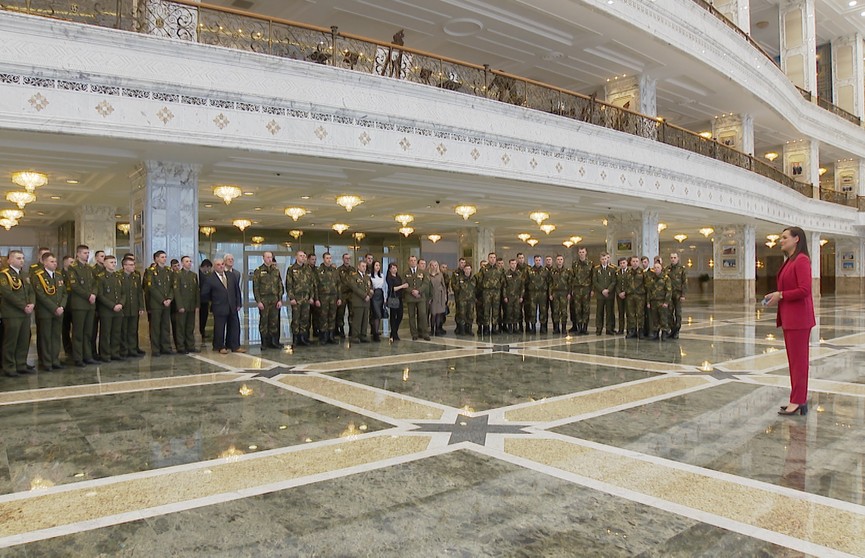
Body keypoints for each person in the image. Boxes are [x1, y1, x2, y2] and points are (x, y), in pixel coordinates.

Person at [764, 226, 815, 416]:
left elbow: (805, 290)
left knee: (799, 362)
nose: (781, 240)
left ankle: (799, 401)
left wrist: (781, 295)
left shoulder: (802, 260)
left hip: (799, 319)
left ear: (796, 239)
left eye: (784, 237)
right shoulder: (790, 261)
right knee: (794, 362)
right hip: (790, 318)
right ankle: (796, 399)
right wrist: (776, 295)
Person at [0, 250, 36, 376]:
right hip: (12, 313)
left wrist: (32, 303)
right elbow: (7, 293)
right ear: (10, 260)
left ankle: (21, 364)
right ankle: (9, 367)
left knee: (23, 340)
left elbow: (31, 291)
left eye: (22, 258)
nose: (22, 260)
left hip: (25, 313)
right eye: (18, 258)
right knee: (11, 341)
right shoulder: (4, 275)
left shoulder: (25, 274)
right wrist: (23, 306)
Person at [200, 258, 245, 354]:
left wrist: (238, 303)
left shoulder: (231, 276)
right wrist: (213, 301)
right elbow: (204, 293)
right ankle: (219, 346)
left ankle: (235, 345)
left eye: (222, 264)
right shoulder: (210, 278)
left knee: (235, 326)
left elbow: (237, 290)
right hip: (219, 306)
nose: (221, 266)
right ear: (214, 267)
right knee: (220, 328)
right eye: (218, 265)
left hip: (232, 306)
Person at [31, 252, 66, 371]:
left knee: (56, 336)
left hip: (59, 311)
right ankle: (46, 362)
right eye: (52, 261)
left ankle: (55, 359)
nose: (55, 263)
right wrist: (54, 308)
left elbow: (64, 293)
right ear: (44, 262)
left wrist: (61, 306)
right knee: (46, 337)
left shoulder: (58, 275)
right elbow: (40, 295)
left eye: (55, 261)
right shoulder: (38, 276)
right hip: (46, 311)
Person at [68, 244, 98, 367]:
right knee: (78, 332)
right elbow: (75, 286)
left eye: (87, 253)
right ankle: (78, 357)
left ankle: (88, 355)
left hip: (90, 305)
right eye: (84, 253)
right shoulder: (73, 268)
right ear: (78, 254)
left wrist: (94, 294)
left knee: (88, 332)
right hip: (79, 304)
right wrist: (88, 295)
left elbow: (96, 283)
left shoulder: (89, 269)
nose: (87, 255)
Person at [143, 250, 174, 356]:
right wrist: (162, 300)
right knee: (155, 327)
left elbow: (172, 286)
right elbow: (151, 287)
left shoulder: (168, 270)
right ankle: (156, 349)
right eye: (162, 257)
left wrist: (169, 298)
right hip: (156, 303)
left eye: (165, 257)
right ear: (156, 259)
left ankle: (166, 347)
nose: (164, 259)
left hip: (167, 303)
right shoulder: (150, 271)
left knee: (165, 326)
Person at [252, 251, 284, 350]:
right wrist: (258, 301)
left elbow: (280, 286)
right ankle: (264, 343)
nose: (270, 259)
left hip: (274, 299)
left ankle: (274, 342)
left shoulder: (276, 270)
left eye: (271, 257)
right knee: (264, 322)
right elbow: (256, 287)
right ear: (263, 258)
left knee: (274, 321)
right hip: (264, 299)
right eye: (268, 257)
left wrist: (280, 299)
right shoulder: (258, 271)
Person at [285, 250, 317, 348]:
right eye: (301, 256)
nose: (303, 257)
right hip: (296, 298)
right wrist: (291, 297)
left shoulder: (308, 269)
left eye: (304, 256)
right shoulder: (291, 269)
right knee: (296, 318)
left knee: (305, 319)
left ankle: (303, 338)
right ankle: (295, 338)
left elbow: (312, 284)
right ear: (296, 257)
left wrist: (311, 297)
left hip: (306, 298)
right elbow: (289, 285)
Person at [96, 255, 124, 361]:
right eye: (111, 262)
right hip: (107, 310)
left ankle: (115, 352)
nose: (114, 264)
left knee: (116, 332)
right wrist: (112, 306)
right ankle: (105, 354)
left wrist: (121, 304)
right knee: (106, 333)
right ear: (105, 263)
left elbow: (123, 293)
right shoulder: (101, 277)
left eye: (114, 262)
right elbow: (100, 295)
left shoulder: (118, 276)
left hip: (118, 309)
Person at [119, 256, 145, 358]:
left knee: (133, 330)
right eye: (131, 265)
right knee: (123, 330)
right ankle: (124, 350)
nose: (133, 266)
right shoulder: (119, 276)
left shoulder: (136, 277)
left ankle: (133, 349)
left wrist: (141, 307)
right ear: (125, 266)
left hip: (134, 307)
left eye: (133, 264)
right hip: (124, 307)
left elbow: (139, 292)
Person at [173, 255, 200, 353]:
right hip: (182, 305)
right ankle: (180, 346)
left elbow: (196, 290)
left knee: (190, 327)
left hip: (191, 305)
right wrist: (180, 305)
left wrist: (197, 304)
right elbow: (176, 291)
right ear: (182, 263)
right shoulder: (178, 274)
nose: (189, 263)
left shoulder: (193, 275)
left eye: (190, 261)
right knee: (181, 327)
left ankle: (190, 345)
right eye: (187, 261)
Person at [315, 252, 341, 345]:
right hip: (323, 297)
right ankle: (323, 336)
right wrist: (316, 299)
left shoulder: (334, 270)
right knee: (323, 317)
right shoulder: (319, 270)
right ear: (323, 259)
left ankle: (331, 336)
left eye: (330, 258)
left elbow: (338, 285)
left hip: (333, 297)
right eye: (327, 258)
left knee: (332, 316)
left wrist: (339, 297)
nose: (329, 260)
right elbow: (316, 286)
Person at [404, 255, 431, 340]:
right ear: (408, 262)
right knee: (411, 316)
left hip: (420, 297)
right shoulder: (405, 273)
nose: (413, 262)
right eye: (411, 260)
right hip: (410, 297)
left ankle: (425, 333)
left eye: (414, 260)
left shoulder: (422, 272)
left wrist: (418, 291)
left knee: (423, 314)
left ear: (416, 262)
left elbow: (425, 284)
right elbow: (404, 284)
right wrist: (412, 291)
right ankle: (414, 334)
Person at [348, 260, 373, 343]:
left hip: (366, 302)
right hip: (358, 301)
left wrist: (369, 295)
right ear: (358, 266)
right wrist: (364, 295)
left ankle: (363, 335)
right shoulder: (354, 276)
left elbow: (371, 288)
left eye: (365, 266)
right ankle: (355, 336)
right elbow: (355, 288)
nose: (364, 268)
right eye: (362, 266)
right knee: (357, 320)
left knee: (365, 320)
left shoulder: (367, 277)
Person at [645, 262, 672, 340]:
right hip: (653, 301)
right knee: (655, 319)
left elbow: (669, 291)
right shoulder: (651, 278)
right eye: (655, 268)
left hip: (662, 301)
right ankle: (656, 332)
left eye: (658, 267)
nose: (656, 269)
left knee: (663, 318)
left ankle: (664, 332)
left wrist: (666, 302)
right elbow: (649, 291)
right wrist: (648, 302)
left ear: (661, 268)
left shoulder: (666, 278)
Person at [593, 251, 616, 335]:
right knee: (599, 312)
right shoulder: (596, 269)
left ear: (608, 259)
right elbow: (595, 281)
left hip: (609, 294)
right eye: (602, 259)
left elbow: (614, 281)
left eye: (605, 259)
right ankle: (599, 328)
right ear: (600, 259)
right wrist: (602, 290)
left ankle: (609, 328)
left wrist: (608, 290)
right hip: (600, 294)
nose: (604, 260)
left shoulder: (612, 269)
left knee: (609, 312)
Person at [571, 247, 593, 335]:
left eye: (583, 252)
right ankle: (579, 327)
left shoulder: (590, 263)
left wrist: (592, 289)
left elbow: (592, 277)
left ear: (586, 252)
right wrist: (572, 289)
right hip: (577, 289)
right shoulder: (575, 263)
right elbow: (572, 277)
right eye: (580, 252)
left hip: (586, 289)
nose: (581, 253)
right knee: (577, 309)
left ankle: (585, 327)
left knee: (586, 309)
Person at [666, 252, 688, 339]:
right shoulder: (667, 269)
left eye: (674, 257)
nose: (673, 259)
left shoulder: (682, 269)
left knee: (678, 313)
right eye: (671, 258)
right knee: (669, 313)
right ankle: (672, 329)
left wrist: (683, 295)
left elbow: (684, 282)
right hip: (669, 294)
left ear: (678, 258)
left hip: (678, 294)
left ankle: (677, 330)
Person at [549, 254, 571, 334]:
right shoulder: (552, 271)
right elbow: (550, 283)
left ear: (563, 260)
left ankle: (564, 328)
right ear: (556, 261)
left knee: (564, 311)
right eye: (558, 259)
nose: (559, 261)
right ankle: (556, 328)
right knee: (555, 311)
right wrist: (550, 294)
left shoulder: (567, 271)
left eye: (561, 259)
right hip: (555, 293)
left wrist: (569, 293)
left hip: (564, 293)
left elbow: (570, 283)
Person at [386, 262, 408, 340]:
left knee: (400, 315)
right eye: (393, 268)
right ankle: (394, 333)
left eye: (395, 267)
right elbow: (392, 288)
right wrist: (402, 286)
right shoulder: (389, 277)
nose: (395, 269)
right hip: (393, 298)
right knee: (393, 316)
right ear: (390, 269)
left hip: (399, 298)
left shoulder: (398, 277)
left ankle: (394, 332)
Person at [503, 259, 524, 334]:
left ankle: (515, 327)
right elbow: (504, 286)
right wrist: (504, 296)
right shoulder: (506, 274)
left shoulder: (520, 274)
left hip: (517, 296)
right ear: (509, 264)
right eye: (512, 263)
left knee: (517, 312)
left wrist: (521, 296)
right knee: (509, 312)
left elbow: (522, 286)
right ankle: (510, 327)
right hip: (509, 296)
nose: (513, 265)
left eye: (515, 263)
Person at [336, 253, 354, 338]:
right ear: (343, 259)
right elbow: (338, 283)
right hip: (342, 294)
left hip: (351, 294)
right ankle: (341, 330)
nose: (347, 260)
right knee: (341, 313)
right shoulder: (339, 270)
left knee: (352, 312)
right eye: (346, 258)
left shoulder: (353, 270)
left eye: (349, 258)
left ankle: (351, 330)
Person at [369, 260, 387, 341]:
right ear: (373, 266)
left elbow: (384, 287)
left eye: (379, 265)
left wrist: (385, 297)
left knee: (379, 314)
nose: (378, 267)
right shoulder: (370, 276)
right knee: (376, 314)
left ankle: (375, 330)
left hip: (380, 294)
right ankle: (375, 333)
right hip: (374, 295)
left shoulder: (382, 276)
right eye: (376, 265)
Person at [198, 259, 213, 339]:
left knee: (204, 316)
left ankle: (202, 331)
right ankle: (201, 332)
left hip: (205, 299)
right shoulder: (200, 275)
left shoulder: (204, 275)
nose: (209, 270)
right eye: (209, 268)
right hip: (202, 300)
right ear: (206, 266)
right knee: (202, 317)